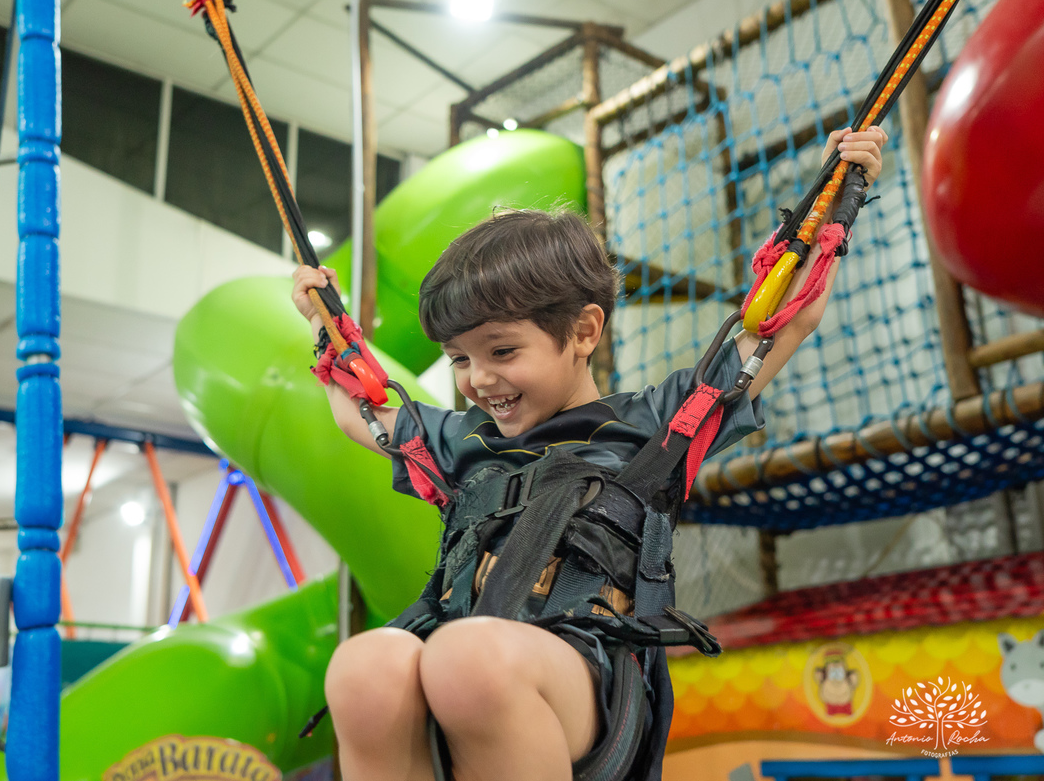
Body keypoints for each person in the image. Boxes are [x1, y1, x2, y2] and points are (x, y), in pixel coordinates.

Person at [291, 126, 887, 781]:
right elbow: (363, 408)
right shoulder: (464, 443)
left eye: (502, 351)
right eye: (460, 358)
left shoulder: (655, 427)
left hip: (589, 683)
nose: (478, 379)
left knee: (469, 656)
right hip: (472, 669)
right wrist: (325, 325)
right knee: (364, 666)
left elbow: (779, 322)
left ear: (583, 331)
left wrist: (836, 199)